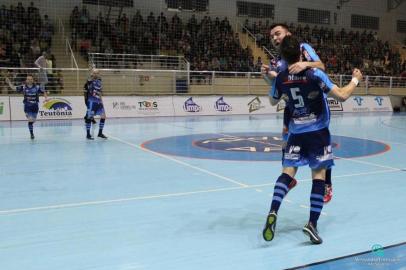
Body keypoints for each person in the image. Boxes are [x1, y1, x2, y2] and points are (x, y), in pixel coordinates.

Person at [263, 36, 363, 244]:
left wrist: (270, 79)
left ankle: (273, 211)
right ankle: (312, 224)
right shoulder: (314, 74)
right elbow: (342, 96)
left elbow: (273, 101)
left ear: (282, 56)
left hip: (295, 133)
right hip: (317, 133)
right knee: (318, 177)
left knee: (287, 174)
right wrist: (355, 80)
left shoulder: (280, 77)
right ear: (301, 54)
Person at [262, 23, 333, 203]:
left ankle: (327, 184)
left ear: (288, 34)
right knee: (286, 147)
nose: (275, 38)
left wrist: (304, 64)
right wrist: (268, 77)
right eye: (272, 37)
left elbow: (321, 66)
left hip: (314, 106)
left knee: (322, 146)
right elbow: (279, 86)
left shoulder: (303, 48)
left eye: (277, 34)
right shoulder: (277, 61)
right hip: (292, 109)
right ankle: (289, 179)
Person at [5, 74, 48, 139]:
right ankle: (32, 134)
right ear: (26, 80)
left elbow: (44, 91)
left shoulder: (37, 87)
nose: (29, 80)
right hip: (27, 107)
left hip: (35, 107)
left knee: (33, 120)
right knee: (30, 120)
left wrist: (46, 98)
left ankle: (31, 126)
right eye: (28, 79)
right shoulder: (23, 87)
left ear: (33, 80)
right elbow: (14, 88)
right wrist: (9, 83)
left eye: (31, 79)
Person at [85, 69, 107, 140]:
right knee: (89, 117)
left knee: (103, 116)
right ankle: (88, 134)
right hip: (92, 102)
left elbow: (100, 92)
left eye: (97, 73)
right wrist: (91, 76)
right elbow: (88, 81)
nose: (96, 74)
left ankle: (100, 133)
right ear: (92, 73)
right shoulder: (89, 81)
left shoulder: (99, 81)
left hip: (99, 102)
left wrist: (101, 101)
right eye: (94, 73)